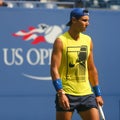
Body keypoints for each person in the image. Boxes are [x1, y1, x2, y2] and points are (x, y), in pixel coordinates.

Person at [50, 8, 104, 120]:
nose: (87, 24)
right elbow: (54, 69)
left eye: (88, 20)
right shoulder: (61, 41)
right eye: (84, 20)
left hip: (86, 93)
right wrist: (61, 93)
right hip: (67, 93)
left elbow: (91, 68)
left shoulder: (88, 40)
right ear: (74, 20)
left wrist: (97, 93)